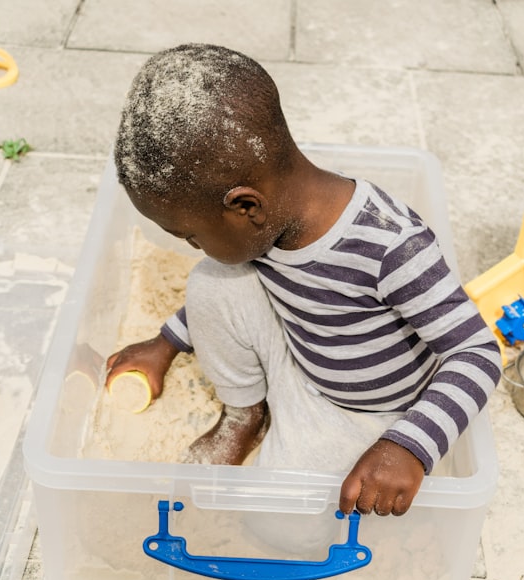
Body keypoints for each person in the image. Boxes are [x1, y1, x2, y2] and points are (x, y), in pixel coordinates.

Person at [106, 43, 501, 517]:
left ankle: (313, 438)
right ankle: (245, 415)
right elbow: (253, 297)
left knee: (278, 523)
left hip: (364, 417)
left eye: (192, 235)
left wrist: (408, 447)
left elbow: (476, 352)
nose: (193, 245)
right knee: (214, 279)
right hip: (296, 358)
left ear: (246, 207)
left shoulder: (392, 246)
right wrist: (167, 342)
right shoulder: (268, 222)